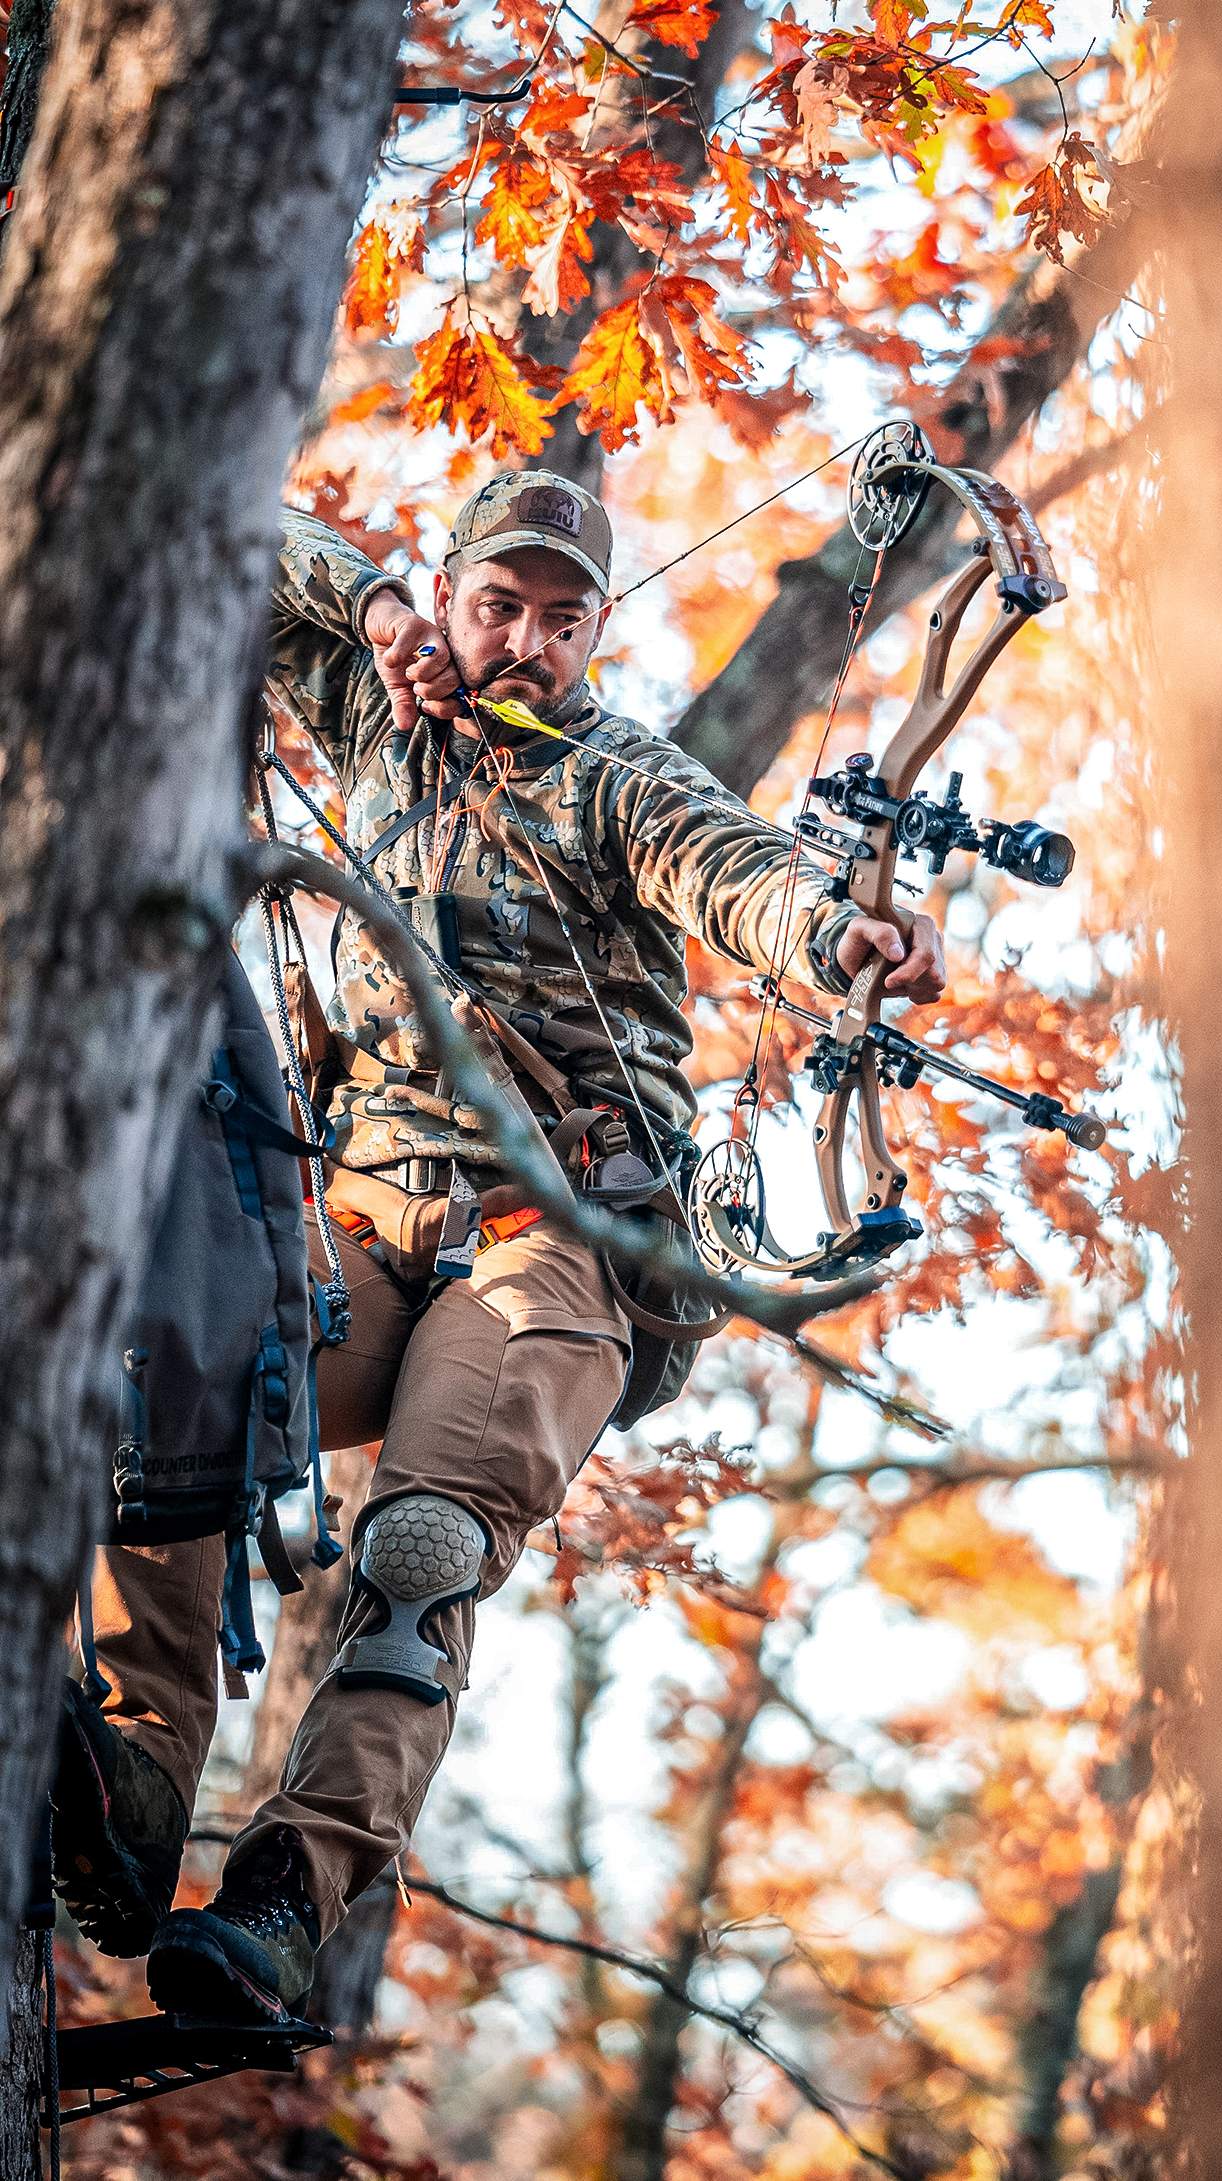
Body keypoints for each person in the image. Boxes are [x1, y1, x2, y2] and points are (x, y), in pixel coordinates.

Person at [51, 471, 945, 2024]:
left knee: (420, 1551)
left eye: (559, 616)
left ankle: (283, 1895)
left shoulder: (617, 775)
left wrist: (842, 930)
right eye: (496, 603)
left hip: (551, 1247)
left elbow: (738, 873)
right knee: (171, 1356)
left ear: (596, 628)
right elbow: (226, 526)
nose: (525, 639)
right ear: (453, 595)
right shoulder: (377, 702)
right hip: (365, 1217)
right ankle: (133, 1783)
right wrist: (377, 605)